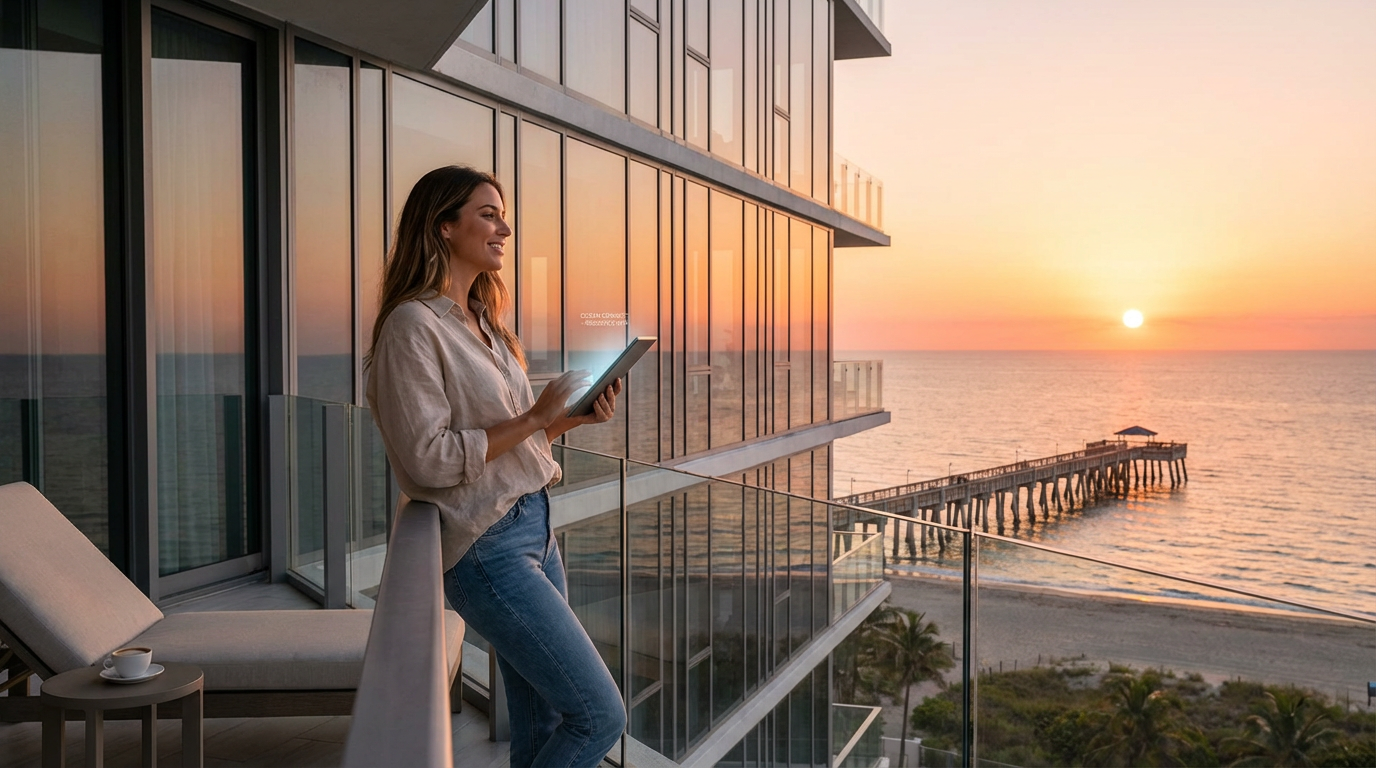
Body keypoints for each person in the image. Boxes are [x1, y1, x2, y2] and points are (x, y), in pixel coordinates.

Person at [365, 165, 626, 767]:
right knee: (598, 715)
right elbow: (428, 459)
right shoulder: (413, 327)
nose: (504, 227)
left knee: (539, 724)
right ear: (443, 227)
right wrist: (536, 417)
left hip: (535, 526)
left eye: (502, 214)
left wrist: (568, 421)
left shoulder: (486, 324)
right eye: (488, 214)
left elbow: (506, 447)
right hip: (487, 548)